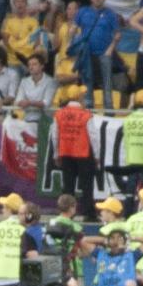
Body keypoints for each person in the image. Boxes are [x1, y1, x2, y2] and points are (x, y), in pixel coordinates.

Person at [54, 85, 98, 220]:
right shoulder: (86, 115)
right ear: (79, 97)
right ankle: (89, 214)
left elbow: (54, 135)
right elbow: (93, 137)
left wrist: (56, 154)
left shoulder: (59, 114)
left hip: (66, 153)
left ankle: (66, 214)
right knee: (87, 186)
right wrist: (97, 155)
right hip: (83, 153)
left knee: (68, 186)